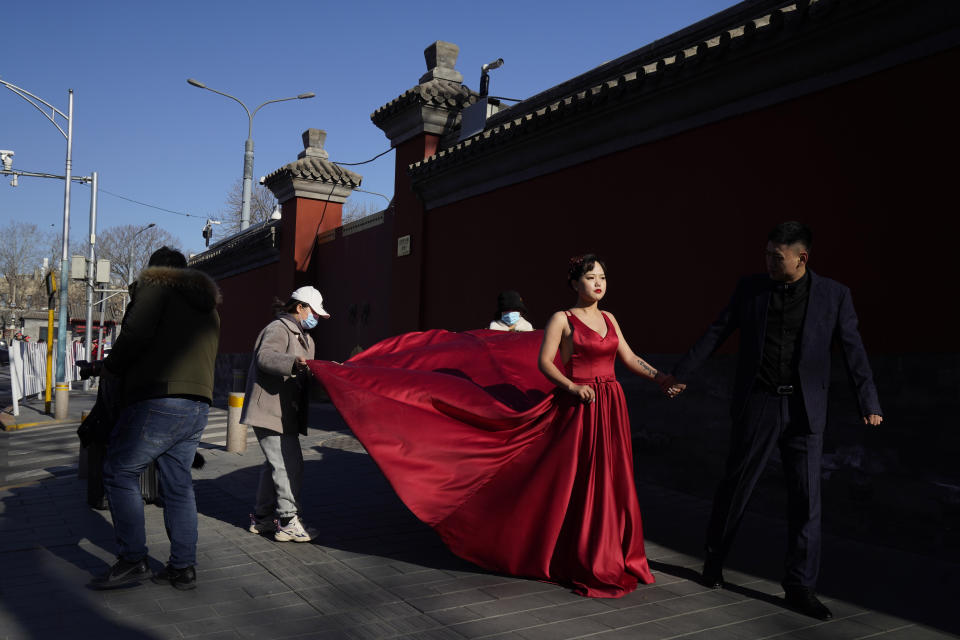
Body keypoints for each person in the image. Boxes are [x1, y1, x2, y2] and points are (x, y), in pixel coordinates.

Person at [307, 254, 671, 597]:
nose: (599, 283)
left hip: (610, 405)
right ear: (575, 283)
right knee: (577, 480)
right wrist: (572, 386)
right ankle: (571, 551)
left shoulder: (609, 319)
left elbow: (629, 357)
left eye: (603, 277)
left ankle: (613, 549)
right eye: (591, 277)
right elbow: (546, 363)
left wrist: (662, 379)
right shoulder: (563, 319)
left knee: (611, 478)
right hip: (578, 404)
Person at [667, 222, 882, 620]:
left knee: (806, 501)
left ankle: (800, 586)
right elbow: (717, 331)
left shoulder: (834, 296)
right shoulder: (751, 289)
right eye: (766, 253)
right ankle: (714, 562)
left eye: (776, 256)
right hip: (760, 403)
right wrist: (682, 373)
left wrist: (869, 401)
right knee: (736, 486)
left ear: (801, 258)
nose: (767, 261)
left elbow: (854, 350)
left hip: (805, 410)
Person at [92, 246, 220, 591]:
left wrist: (111, 367)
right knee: (178, 485)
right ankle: (182, 568)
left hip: (159, 398)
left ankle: (133, 560)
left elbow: (134, 337)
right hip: (198, 404)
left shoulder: (156, 290)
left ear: (156, 271)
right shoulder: (208, 307)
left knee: (119, 472)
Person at [242, 286, 329, 543]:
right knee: (288, 465)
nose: (316, 319)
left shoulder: (306, 337)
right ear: (300, 307)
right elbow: (265, 357)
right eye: (314, 312)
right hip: (269, 409)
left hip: (284, 411)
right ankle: (288, 520)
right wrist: (293, 363)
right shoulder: (279, 328)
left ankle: (263, 518)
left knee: (275, 465)